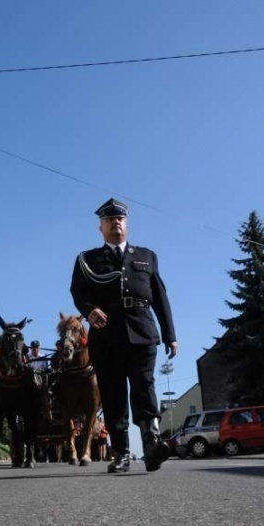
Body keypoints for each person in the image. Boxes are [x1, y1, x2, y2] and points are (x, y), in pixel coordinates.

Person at [70, 197, 178, 473]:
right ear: (101, 227)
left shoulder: (147, 256)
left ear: (126, 225)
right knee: (113, 395)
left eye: (120, 219)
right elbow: (79, 293)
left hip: (142, 331)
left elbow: (161, 298)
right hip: (106, 337)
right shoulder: (87, 260)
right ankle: (122, 453)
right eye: (109, 220)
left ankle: (152, 443)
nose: (115, 223)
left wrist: (170, 335)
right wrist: (90, 309)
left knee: (144, 387)